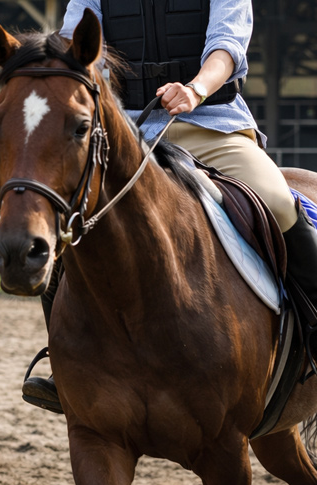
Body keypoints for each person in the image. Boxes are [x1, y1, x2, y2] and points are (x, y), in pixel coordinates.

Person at [22, 0, 317, 413]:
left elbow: (227, 46)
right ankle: (65, 360)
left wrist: (195, 89)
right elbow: (74, 43)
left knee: (279, 202)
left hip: (210, 123)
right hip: (124, 130)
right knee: (68, 218)